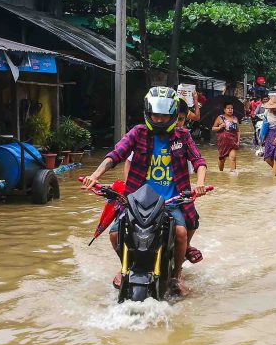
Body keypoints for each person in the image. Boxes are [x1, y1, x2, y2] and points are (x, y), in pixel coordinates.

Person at [81, 87, 207, 296]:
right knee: (114, 235)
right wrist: (95, 175)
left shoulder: (183, 136)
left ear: (173, 114)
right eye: (155, 115)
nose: (159, 119)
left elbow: (199, 161)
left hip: (171, 202)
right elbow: (116, 154)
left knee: (181, 232)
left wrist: (200, 183)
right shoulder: (138, 133)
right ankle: (125, 268)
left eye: (164, 115)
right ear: (148, 113)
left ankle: (176, 276)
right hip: (137, 201)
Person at [212, 100, 241, 172]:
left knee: (233, 157)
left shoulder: (235, 118)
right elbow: (213, 128)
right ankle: (221, 172)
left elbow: (238, 131)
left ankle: (233, 174)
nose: (230, 110)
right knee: (222, 159)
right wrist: (220, 127)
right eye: (228, 108)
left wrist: (238, 141)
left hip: (233, 141)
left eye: (231, 108)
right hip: (223, 142)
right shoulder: (220, 118)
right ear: (224, 109)